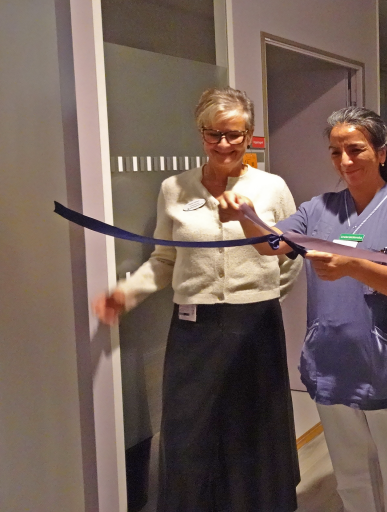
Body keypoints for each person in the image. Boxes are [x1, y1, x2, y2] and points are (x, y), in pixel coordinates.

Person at [93, 87, 303, 511]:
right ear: (200, 133)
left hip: (255, 325)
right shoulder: (174, 189)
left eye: (235, 135)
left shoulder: (271, 187)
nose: (224, 144)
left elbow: (291, 253)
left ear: (249, 135)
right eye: (214, 134)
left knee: (253, 429)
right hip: (194, 326)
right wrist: (126, 293)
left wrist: (263, 296)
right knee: (190, 430)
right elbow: (165, 259)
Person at [218, 106, 387, 512]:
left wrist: (353, 265)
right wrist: (246, 216)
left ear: (382, 153)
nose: (345, 162)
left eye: (356, 149)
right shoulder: (319, 209)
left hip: (384, 365)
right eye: (336, 152)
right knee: (350, 471)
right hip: (331, 362)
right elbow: (273, 244)